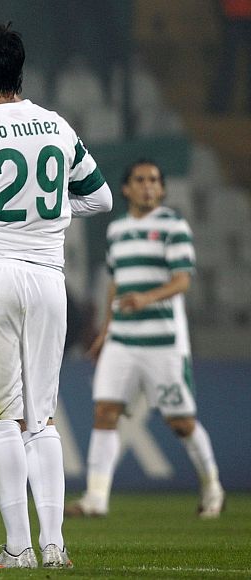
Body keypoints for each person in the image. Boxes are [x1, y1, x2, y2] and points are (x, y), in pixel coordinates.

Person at [0, 23, 112, 569]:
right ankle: (55, 546)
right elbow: (100, 198)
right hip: (49, 278)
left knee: (1, 418)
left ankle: (18, 548)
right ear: (20, 70)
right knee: (42, 418)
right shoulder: (56, 126)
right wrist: (49, 217)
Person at [66, 160, 225, 519]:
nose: (148, 186)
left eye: (154, 180)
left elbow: (182, 280)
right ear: (126, 189)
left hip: (162, 341)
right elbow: (115, 284)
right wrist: (105, 331)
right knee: (105, 412)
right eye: (140, 180)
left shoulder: (173, 226)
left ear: (162, 189)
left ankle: (213, 486)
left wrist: (146, 298)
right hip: (122, 339)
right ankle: (96, 497)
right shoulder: (118, 230)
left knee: (180, 421)